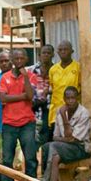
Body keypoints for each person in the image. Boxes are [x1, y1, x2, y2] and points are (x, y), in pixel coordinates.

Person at [0, 48, 40, 181]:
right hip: (9, 123)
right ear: (12, 61)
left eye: (22, 58)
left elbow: (30, 96)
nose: (19, 61)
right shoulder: (5, 77)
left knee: (30, 158)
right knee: (7, 159)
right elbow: (3, 98)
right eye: (16, 59)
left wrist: (26, 78)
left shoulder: (32, 76)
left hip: (27, 123)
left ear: (26, 60)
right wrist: (22, 96)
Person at [42, 86, 91, 181]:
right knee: (49, 149)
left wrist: (64, 117)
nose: (70, 101)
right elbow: (55, 136)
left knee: (52, 146)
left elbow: (73, 139)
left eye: (73, 98)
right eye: (68, 98)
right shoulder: (59, 111)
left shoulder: (84, 113)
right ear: (64, 99)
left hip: (81, 148)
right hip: (63, 147)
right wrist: (65, 140)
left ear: (77, 98)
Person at [32, 44, 55, 172]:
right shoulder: (32, 71)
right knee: (32, 147)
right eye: (43, 53)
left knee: (48, 146)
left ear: (52, 55)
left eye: (48, 53)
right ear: (39, 55)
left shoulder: (56, 70)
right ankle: (33, 178)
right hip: (34, 112)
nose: (45, 55)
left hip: (50, 113)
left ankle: (46, 175)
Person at [48, 40, 81, 127]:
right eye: (60, 50)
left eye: (65, 49)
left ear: (72, 51)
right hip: (56, 110)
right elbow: (53, 88)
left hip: (73, 110)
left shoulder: (78, 67)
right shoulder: (53, 69)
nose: (63, 52)